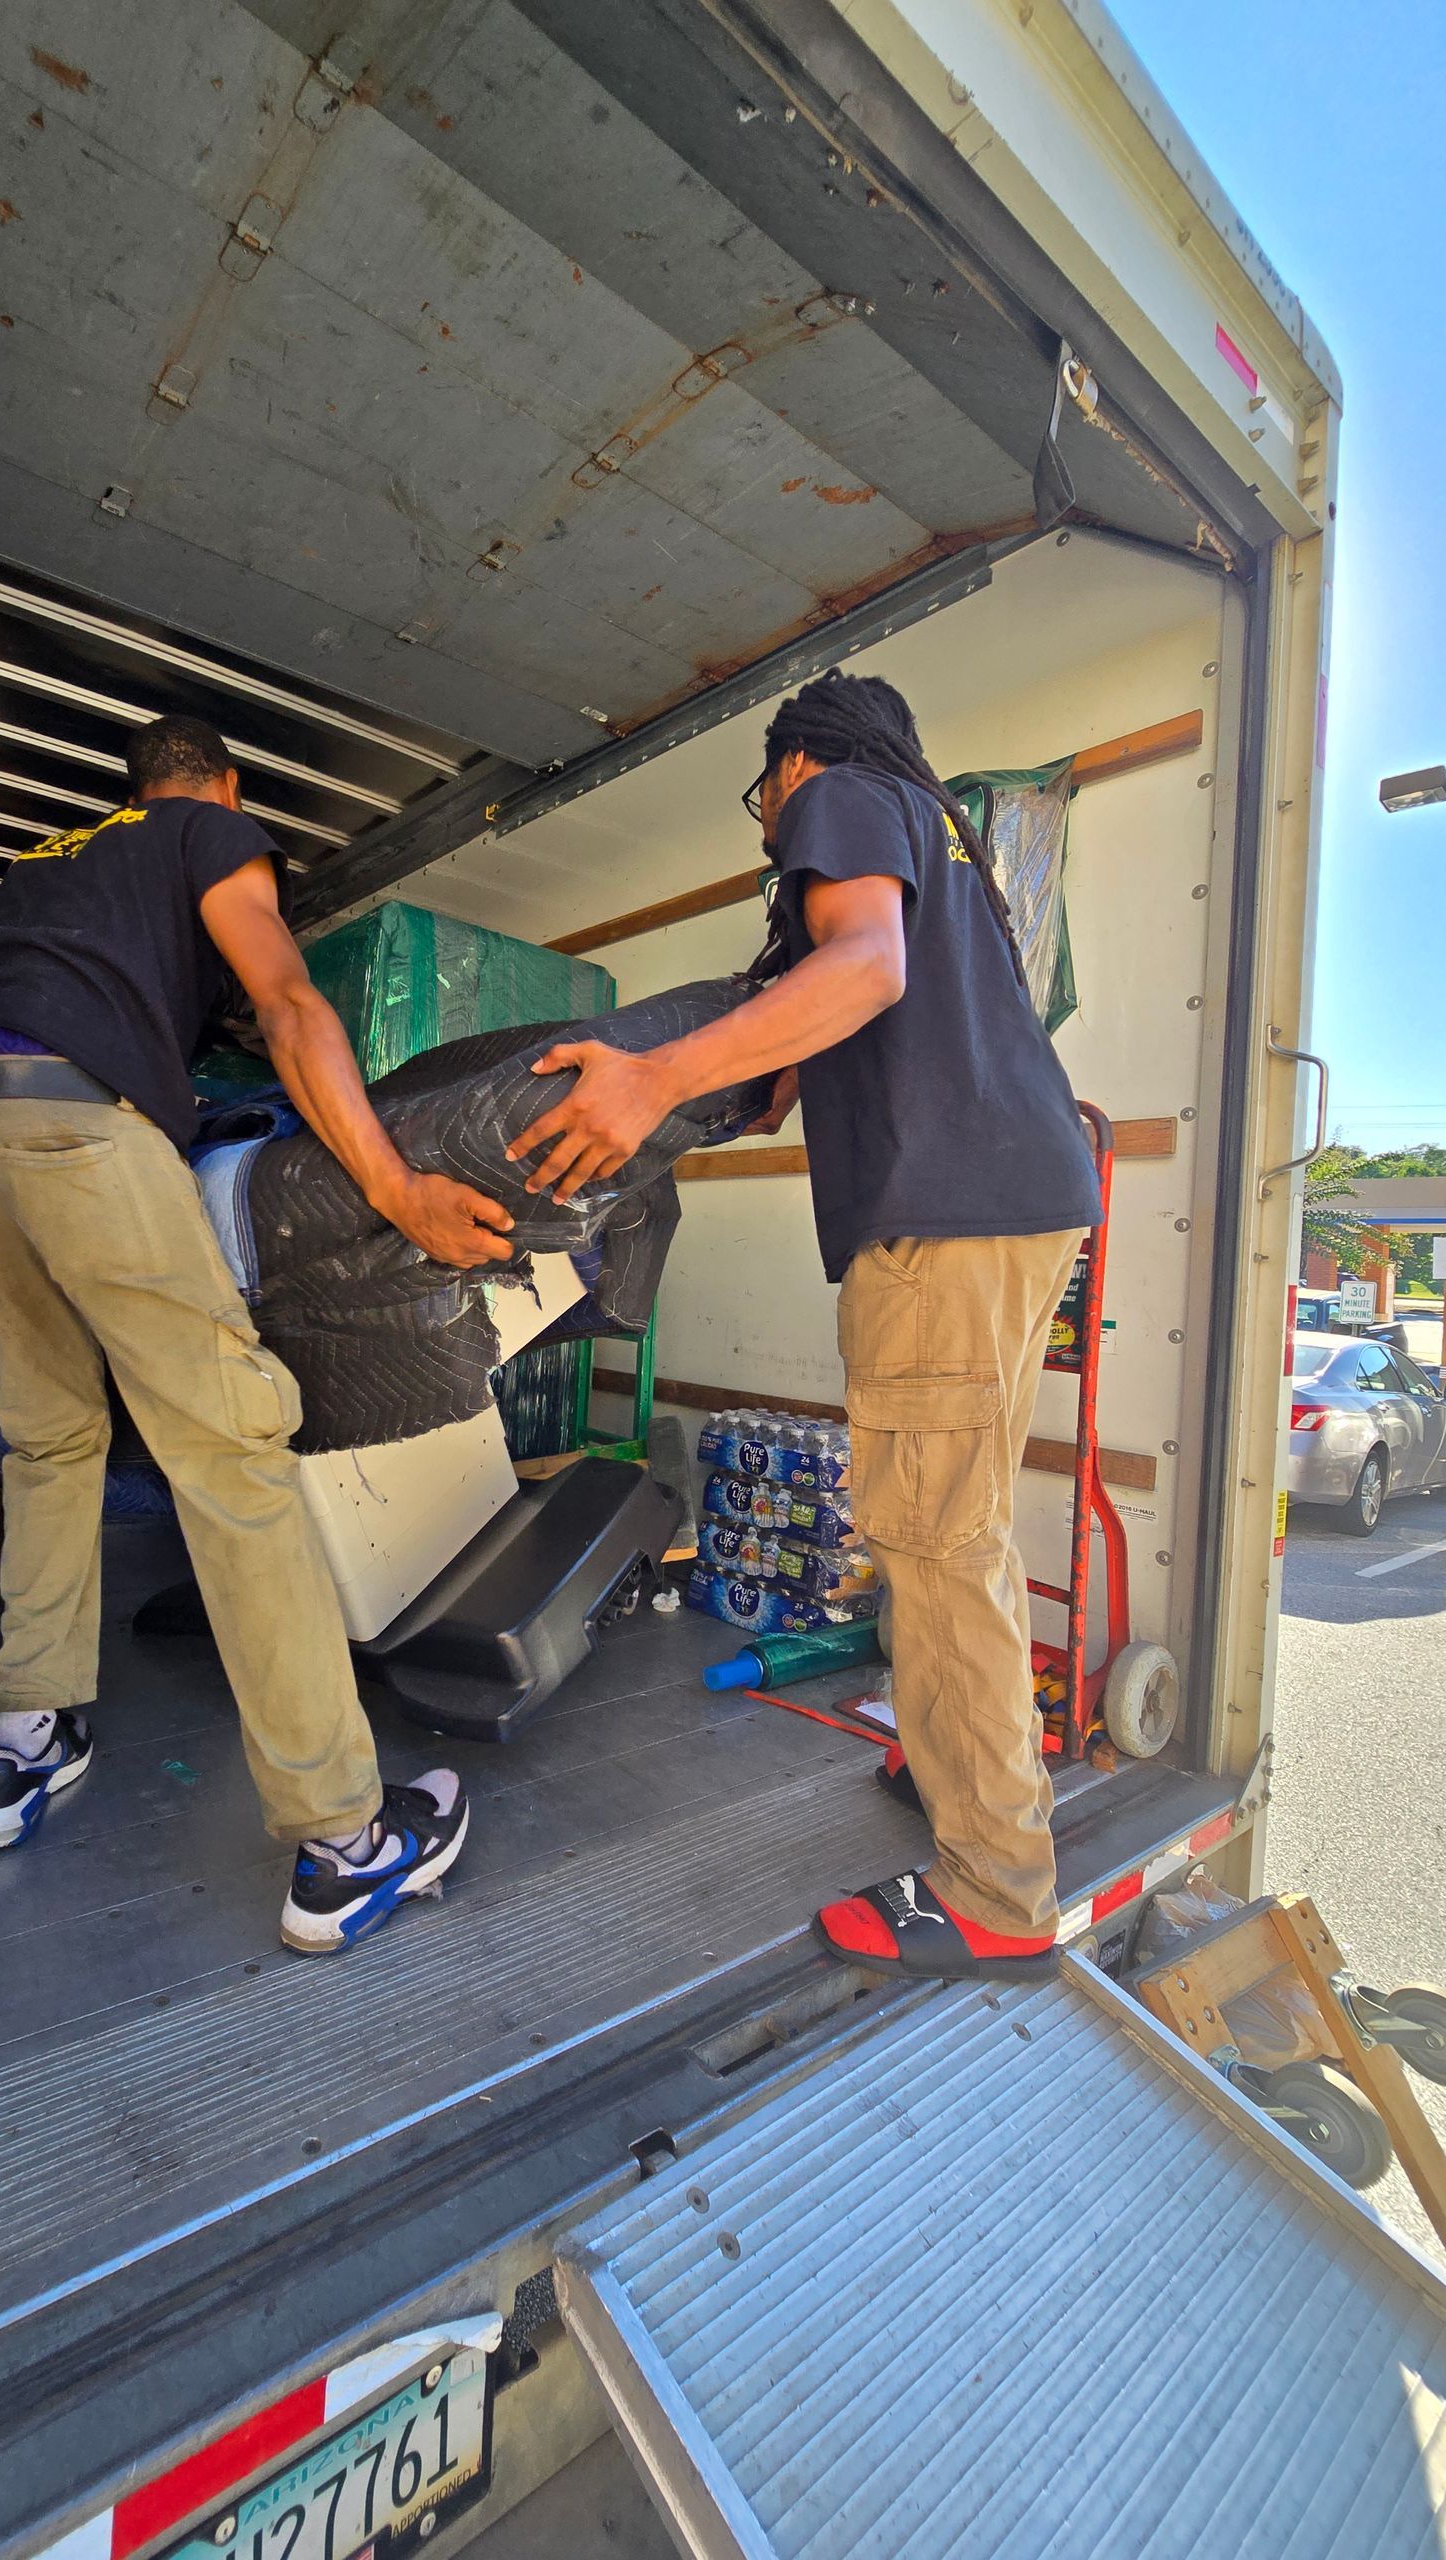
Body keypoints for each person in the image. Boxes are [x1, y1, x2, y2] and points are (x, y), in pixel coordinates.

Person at [0, 713, 516, 1952]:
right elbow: (283, 998)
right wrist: (395, 1188)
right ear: (221, 787)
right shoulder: (210, 833)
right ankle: (346, 1841)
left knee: (51, 1435)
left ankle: (21, 1747)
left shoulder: (44, 864)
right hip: (71, 1122)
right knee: (231, 1451)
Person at [505, 671, 1101, 1983]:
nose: (771, 819)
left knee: (930, 1533)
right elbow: (784, 1078)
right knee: (966, 1517)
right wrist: (698, 1083)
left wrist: (648, 1076)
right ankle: (962, 1753)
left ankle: (998, 1883)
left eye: (764, 792)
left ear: (791, 766)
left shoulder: (839, 794)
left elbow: (865, 971)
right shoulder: (936, 838)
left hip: (945, 1218)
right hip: (1026, 1194)